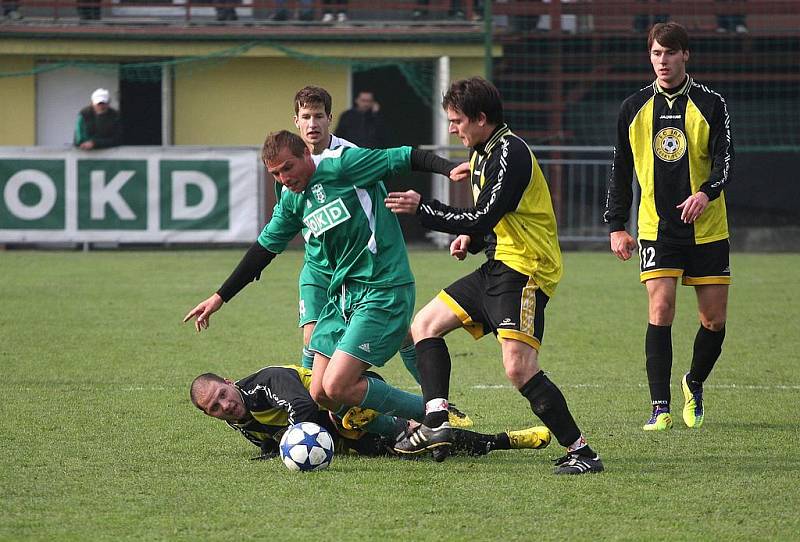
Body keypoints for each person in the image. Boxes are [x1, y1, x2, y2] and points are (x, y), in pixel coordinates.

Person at [384, 76, 604, 475]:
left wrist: (425, 209)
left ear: (481, 118)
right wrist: (469, 235)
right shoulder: (485, 152)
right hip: (498, 263)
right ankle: (436, 422)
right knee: (425, 325)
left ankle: (583, 452)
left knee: (518, 368)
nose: (452, 129)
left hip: (525, 269)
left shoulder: (509, 153)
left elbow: (486, 213)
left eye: (457, 121)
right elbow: (490, 215)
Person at [183, 130, 462, 433]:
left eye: (288, 167)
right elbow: (263, 249)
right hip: (341, 296)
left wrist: (449, 168)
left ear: (306, 154)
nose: (284, 178)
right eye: (275, 174)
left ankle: (434, 415)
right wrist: (220, 296)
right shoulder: (292, 200)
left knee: (337, 385)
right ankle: (401, 427)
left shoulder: (343, 165)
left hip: (381, 285)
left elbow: (406, 155)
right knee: (319, 394)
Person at [604, 22, 733, 433]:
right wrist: (615, 225)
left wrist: (706, 193)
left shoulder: (712, 104)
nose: (663, 61)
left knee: (713, 320)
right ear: (650, 56)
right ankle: (659, 406)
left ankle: (693, 383)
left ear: (685, 56)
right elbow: (620, 170)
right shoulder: (633, 107)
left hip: (707, 227)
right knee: (661, 310)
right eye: (656, 53)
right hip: (655, 228)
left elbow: (726, 160)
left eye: (670, 53)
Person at [190, 365, 551, 459]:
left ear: (228, 380)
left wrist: (296, 443)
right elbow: (272, 438)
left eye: (223, 394)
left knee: (415, 435)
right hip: (338, 435)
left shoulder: (264, 382)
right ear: (210, 416)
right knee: (414, 452)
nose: (226, 404)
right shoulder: (238, 421)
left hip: (349, 400)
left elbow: (302, 409)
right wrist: (274, 452)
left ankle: (502, 440)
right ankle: (495, 442)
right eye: (215, 407)